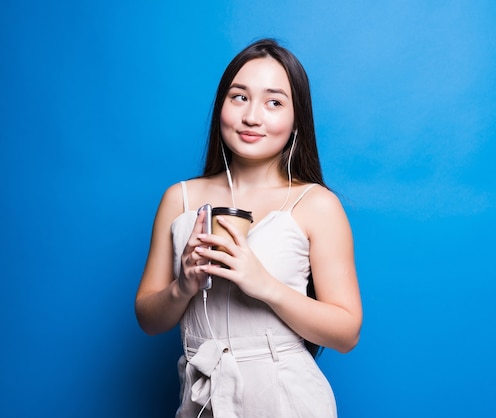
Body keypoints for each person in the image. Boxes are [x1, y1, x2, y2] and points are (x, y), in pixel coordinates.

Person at [135, 38, 362, 417]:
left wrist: (264, 285)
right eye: (239, 97)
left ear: (296, 120)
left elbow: (347, 332)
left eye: (274, 102)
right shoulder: (180, 199)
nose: (252, 116)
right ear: (221, 105)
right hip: (201, 399)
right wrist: (183, 286)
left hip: (287, 398)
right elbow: (147, 318)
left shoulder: (316, 204)